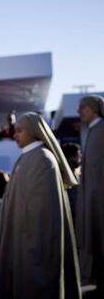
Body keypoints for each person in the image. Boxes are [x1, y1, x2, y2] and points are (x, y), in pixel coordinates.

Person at [0, 112, 81, 299]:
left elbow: (44, 215)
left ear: (34, 130)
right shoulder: (27, 157)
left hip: (33, 247)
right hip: (20, 238)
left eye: (19, 131)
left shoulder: (44, 159)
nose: (15, 135)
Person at [76, 95, 104, 295]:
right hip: (92, 199)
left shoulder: (101, 130)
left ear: (94, 108)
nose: (80, 112)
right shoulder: (93, 130)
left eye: (83, 107)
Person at [61, 142, 81, 222]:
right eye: (79, 155)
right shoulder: (69, 173)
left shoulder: (70, 170)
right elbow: (73, 198)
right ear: (72, 157)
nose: (80, 158)